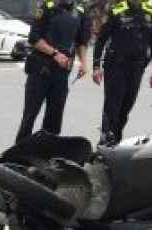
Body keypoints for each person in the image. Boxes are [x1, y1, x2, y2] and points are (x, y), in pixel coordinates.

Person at [14, 0, 91, 143]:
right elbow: (34, 38)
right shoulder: (47, 7)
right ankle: (18, 155)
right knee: (29, 116)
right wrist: (55, 54)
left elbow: (82, 41)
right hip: (40, 71)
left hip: (61, 75)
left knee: (54, 120)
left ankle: (46, 153)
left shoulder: (80, 11)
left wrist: (84, 63)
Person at [91, 0, 152, 146]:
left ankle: (116, 140)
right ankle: (106, 141)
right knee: (112, 107)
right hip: (116, 66)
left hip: (137, 68)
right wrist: (96, 66)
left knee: (126, 107)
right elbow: (101, 40)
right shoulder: (117, 11)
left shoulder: (151, 13)